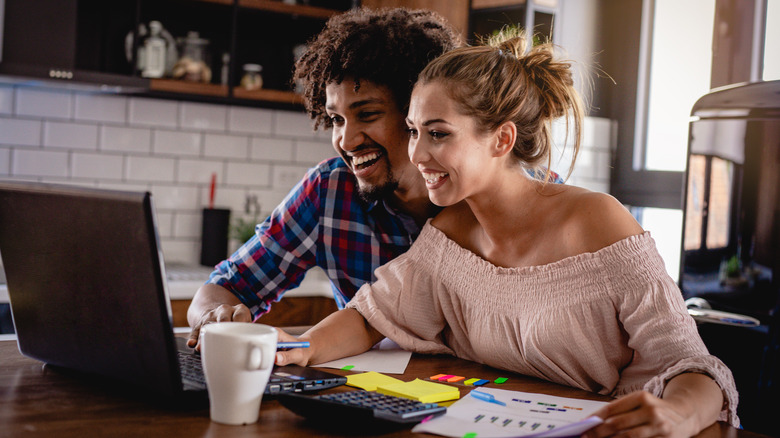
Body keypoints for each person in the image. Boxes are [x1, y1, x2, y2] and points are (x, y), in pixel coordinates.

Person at [275, 29, 740, 436]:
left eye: (438, 134)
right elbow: (369, 317)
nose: (416, 154)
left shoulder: (598, 221)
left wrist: (677, 415)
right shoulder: (450, 232)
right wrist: (296, 349)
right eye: (414, 131)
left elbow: (694, 367)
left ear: (502, 139)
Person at [186, 8, 464, 348]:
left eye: (367, 114)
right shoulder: (329, 191)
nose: (346, 141)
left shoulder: (479, 193)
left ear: (418, 113)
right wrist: (212, 317)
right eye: (336, 119)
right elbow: (226, 286)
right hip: (368, 381)